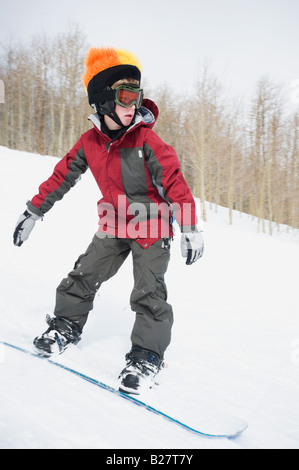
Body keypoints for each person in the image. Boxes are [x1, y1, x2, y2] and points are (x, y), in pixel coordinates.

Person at [13, 47, 204, 394]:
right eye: (125, 97)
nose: (133, 106)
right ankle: (65, 325)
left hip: (152, 227)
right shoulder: (90, 142)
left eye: (136, 97)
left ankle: (146, 356)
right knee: (83, 274)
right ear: (103, 101)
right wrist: (34, 210)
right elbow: (62, 176)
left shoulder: (147, 140)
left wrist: (189, 226)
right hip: (114, 224)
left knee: (149, 292)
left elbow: (175, 181)